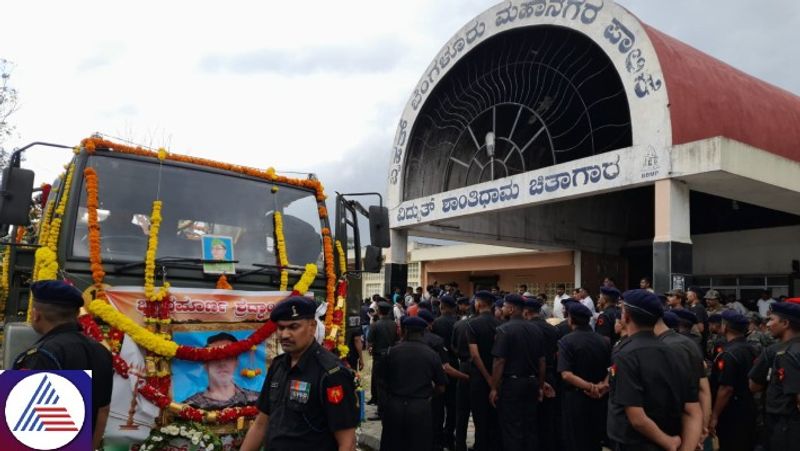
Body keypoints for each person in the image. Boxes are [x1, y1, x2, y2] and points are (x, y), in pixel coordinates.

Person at [240, 296, 358, 451]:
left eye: (293, 327)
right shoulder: (278, 365)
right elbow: (261, 424)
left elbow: (347, 443)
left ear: (312, 327)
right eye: (281, 328)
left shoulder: (331, 373)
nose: (284, 335)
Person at [13, 280, 113, 450]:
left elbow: (23, 425)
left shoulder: (41, 355)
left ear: (36, 314)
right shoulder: (101, 351)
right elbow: (102, 410)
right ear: (76, 314)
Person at [606, 289, 700, 451]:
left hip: (636, 443)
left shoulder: (626, 355)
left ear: (626, 316)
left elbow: (637, 417)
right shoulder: (675, 353)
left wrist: (668, 442)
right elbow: (692, 411)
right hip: (671, 438)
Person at [379, 316, 447, 451]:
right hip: (420, 408)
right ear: (423, 332)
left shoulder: (391, 352)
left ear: (404, 331)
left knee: (392, 444)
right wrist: (429, 393)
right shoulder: (432, 354)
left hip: (395, 406)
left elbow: (382, 381)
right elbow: (441, 387)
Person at [489, 294, 546, 451]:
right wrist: (540, 386)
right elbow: (542, 362)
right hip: (532, 382)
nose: (502, 309)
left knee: (512, 428)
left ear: (512, 309)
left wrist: (494, 388)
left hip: (512, 385)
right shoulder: (536, 329)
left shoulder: (503, 330)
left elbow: (499, 361)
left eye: (505, 307)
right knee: (530, 427)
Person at [558, 302, 612, 451]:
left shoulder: (566, 341)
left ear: (571, 319)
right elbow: (613, 368)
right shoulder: (604, 341)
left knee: (575, 441)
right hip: (599, 398)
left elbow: (566, 375)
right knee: (594, 440)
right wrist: (605, 385)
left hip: (576, 399)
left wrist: (590, 387)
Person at [748, 301, 800, 450]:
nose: (768, 324)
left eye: (771, 319)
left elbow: (753, 386)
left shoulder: (783, 353)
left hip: (786, 426)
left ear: (785, 323)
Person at [654, 311, 707, 451]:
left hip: (675, 423)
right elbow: (703, 389)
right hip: (691, 420)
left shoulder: (667, 347)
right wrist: (703, 426)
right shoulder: (689, 343)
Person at [708, 311, 758, 451]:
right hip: (748, 406)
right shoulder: (751, 349)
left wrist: (715, 416)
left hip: (731, 411)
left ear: (726, 327)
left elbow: (726, 388)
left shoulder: (728, 353)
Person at [184, 333, 260, 409]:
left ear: (236, 362)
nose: (222, 363)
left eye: (228, 357)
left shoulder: (257, 400)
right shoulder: (190, 406)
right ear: (205, 364)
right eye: (215, 357)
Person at [523, 297, 560, 451]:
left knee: (530, 421)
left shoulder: (526, 329)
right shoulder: (553, 329)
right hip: (550, 375)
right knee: (547, 419)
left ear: (526, 312)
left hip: (531, 377)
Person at [467, 291, 501, 451]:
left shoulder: (472, 324)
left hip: (480, 379)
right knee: (494, 418)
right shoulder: (500, 324)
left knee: (480, 419)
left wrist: (488, 378)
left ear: (479, 304)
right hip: (499, 377)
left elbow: (474, 355)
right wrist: (495, 380)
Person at [431, 295, 461, 451]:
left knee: (437, 404)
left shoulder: (435, 323)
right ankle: (449, 436)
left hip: (437, 365)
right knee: (452, 405)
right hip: (454, 365)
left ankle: (437, 437)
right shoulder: (458, 323)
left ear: (442, 306)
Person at [451, 296, 475, 451]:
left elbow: (452, 346)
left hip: (464, 365)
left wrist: (460, 355)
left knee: (462, 411)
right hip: (482, 368)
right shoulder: (493, 324)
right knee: (481, 410)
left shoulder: (458, 325)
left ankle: (459, 444)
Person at [368, 301, 398, 415]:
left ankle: (381, 410)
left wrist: (370, 349)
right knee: (389, 381)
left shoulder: (375, 325)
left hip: (379, 357)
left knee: (379, 383)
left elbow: (369, 344)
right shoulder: (394, 324)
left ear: (379, 311)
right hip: (392, 355)